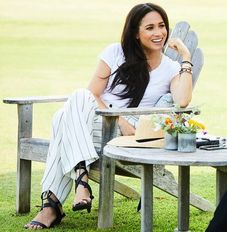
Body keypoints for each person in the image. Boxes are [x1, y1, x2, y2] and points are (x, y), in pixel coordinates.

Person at [24, 2, 193, 229]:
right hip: (97, 123)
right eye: (150, 27)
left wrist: (186, 56)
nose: (158, 33)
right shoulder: (115, 53)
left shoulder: (171, 68)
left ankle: (52, 205)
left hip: (126, 133)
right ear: (135, 33)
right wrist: (117, 118)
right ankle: (81, 178)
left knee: (61, 119)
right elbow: (93, 94)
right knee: (79, 96)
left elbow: (182, 100)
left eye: (162, 26)